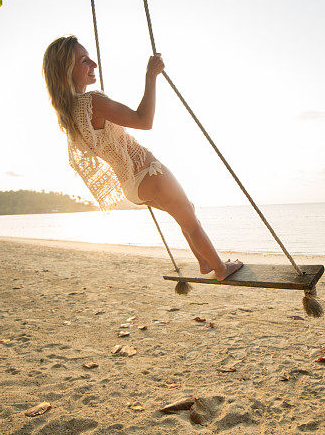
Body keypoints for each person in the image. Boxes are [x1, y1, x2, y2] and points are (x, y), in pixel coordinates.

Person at [42, 35, 243, 281]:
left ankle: (204, 262)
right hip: (148, 173)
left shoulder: (69, 113)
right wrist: (151, 76)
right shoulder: (91, 101)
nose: (93, 64)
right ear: (66, 70)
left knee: (185, 213)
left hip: (132, 186)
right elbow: (144, 121)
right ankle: (221, 268)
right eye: (84, 61)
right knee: (190, 220)